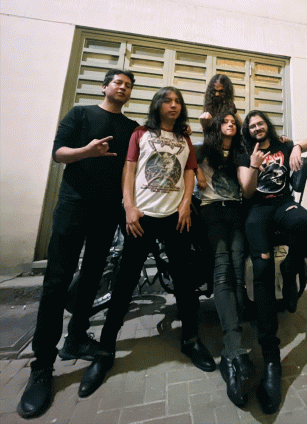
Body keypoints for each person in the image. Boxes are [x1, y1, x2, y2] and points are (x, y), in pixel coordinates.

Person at [77, 87, 215, 399]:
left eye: (178, 101)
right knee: (125, 283)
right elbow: (128, 171)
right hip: (142, 217)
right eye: (168, 100)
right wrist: (129, 207)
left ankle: (191, 340)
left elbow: (190, 172)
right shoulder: (140, 134)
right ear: (157, 105)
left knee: (184, 281)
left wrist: (185, 205)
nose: (173, 105)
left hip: (175, 218)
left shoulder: (184, 139)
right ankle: (105, 351)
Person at [17, 69, 138, 419]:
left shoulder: (130, 128)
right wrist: (86, 151)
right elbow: (58, 154)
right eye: (118, 82)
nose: (123, 87)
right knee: (57, 281)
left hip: (107, 210)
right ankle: (42, 365)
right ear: (105, 86)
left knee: (92, 275)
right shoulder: (81, 114)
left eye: (128, 85)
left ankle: (77, 338)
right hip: (73, 205)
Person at [237, 110, 307, 415]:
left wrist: (297, 146)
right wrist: (254, 164)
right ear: (248, 131)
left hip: (284, 204)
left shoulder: (284, 145)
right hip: (257, 211)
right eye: (252, 126)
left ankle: (290, 269)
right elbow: (247, 191)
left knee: (305, 222)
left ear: (267, 125)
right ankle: (271, 357)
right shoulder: (246, 153)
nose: (257, 128)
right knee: (261, 269)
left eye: (260, 123)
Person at [194, 110, 255, 408]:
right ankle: (233, 347)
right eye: (225, 121)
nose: (230, 124)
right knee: (223, 270)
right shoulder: (205, 150)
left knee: (237, 271)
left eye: (234, 122)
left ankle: (234, 345)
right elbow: (186, 159)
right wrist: (197, 172)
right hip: (211, 211)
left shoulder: (242, 153)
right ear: (217, 127)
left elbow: (246, 187)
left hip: (236, 211)